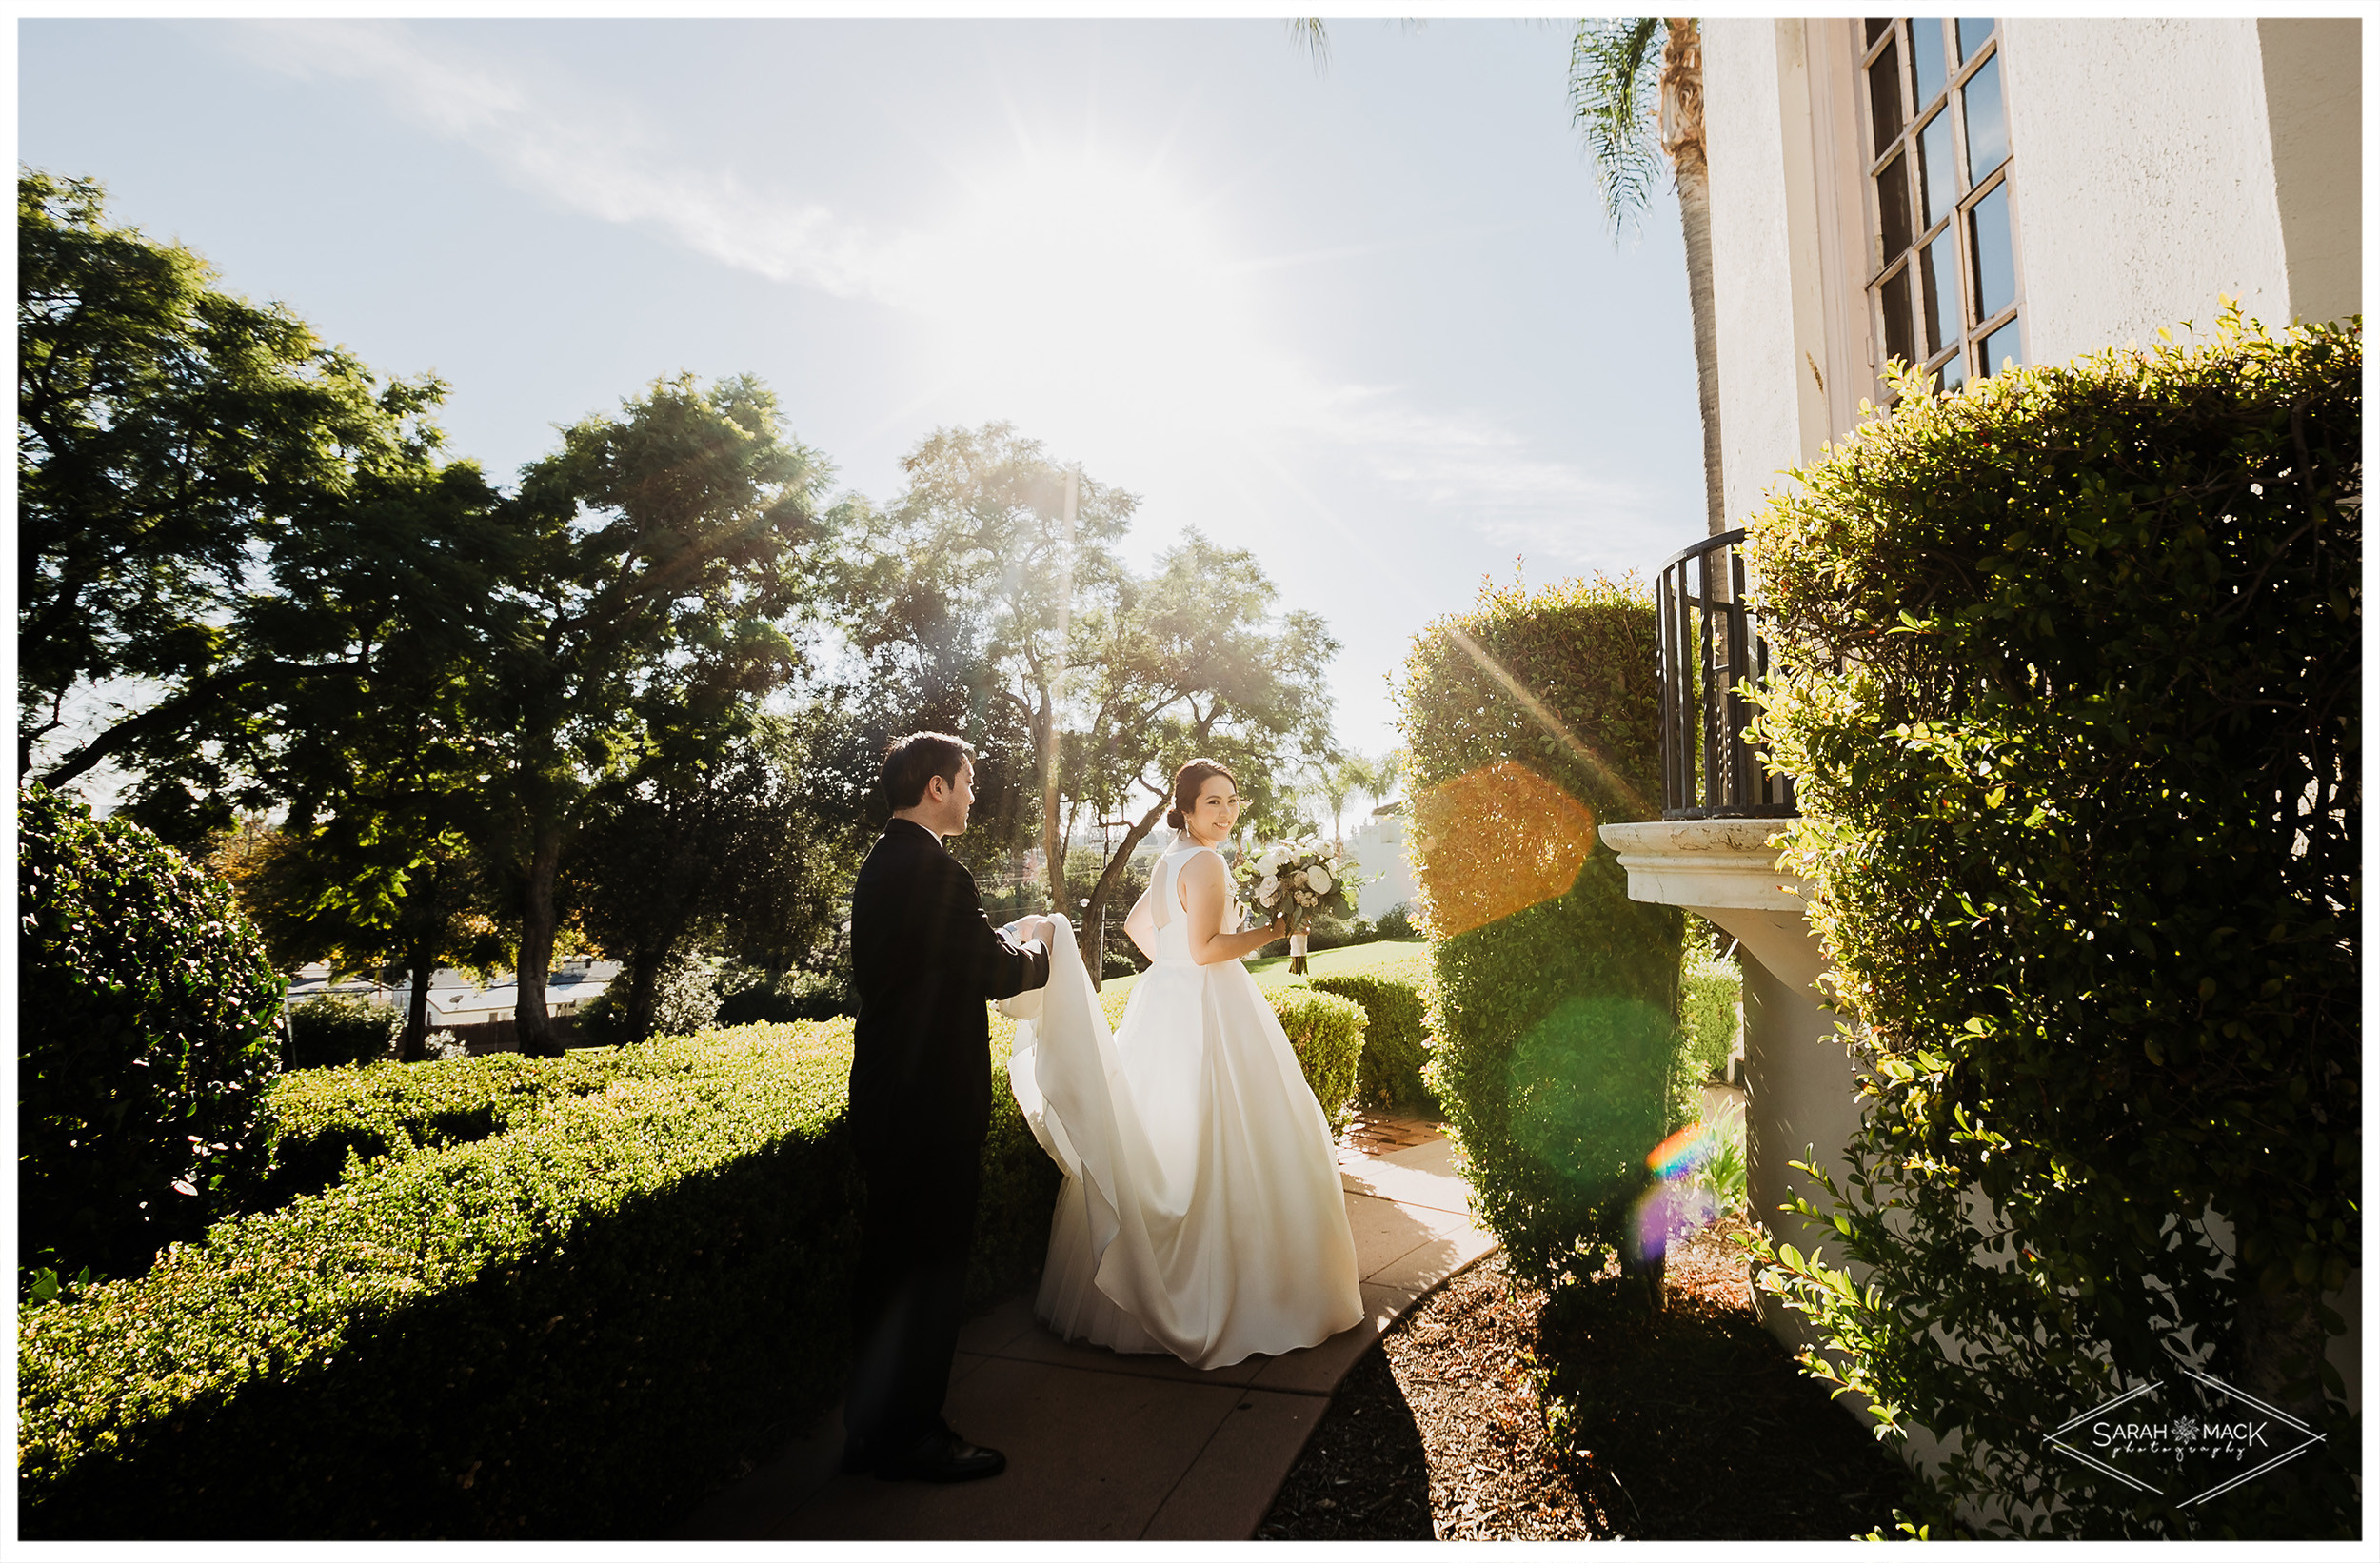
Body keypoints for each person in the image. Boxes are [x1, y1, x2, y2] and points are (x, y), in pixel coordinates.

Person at [1007, 758, 1364, 1370]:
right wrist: (1271, 932)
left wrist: (1170, 963)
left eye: (1231, 801)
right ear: (1188, 809)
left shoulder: (1168, 859)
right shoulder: (1207, 862)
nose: (1225, 813)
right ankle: (1248, 1296)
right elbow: (1207, 950)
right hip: (1208, 1007)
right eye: (1212, 803)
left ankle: (1129, 1297)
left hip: (1163, 1002)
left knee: (1152, 1134)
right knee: (1236, 1136)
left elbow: (1138, 927)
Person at [843, 732, 1055, 1482]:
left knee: (889, 1270)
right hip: (928, 1105)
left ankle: (870, 1432)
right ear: (936, 786)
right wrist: (1044, 951)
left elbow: (941, 955)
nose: (973, 795)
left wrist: (998, 939)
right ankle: (914, 1439)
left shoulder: (884, 863)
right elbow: (991, 972)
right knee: (928, 1274)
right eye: (967, 782)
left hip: (887, 1096)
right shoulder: (934, 870)